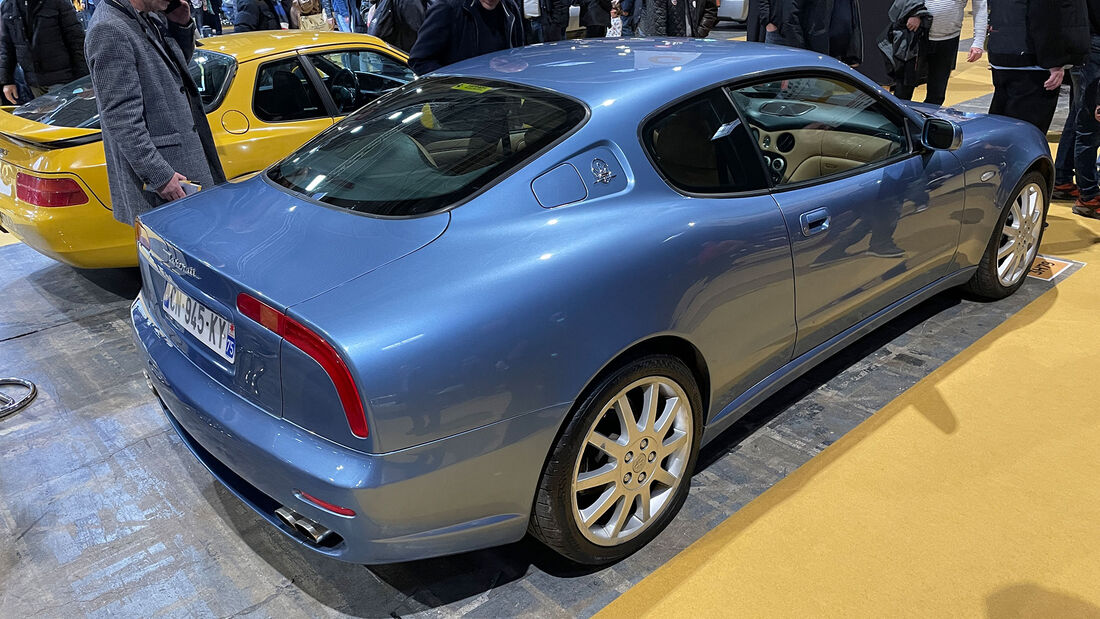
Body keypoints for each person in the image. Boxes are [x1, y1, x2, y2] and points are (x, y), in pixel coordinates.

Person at [85, 0, 225, 225]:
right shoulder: (109, 29)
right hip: (169, 179)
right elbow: (121, 118)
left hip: (183, 165)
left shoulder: (147, 16)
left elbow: (174, 72)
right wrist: (160, 176)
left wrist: (181, 25)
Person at [987, 0, 1088, 135]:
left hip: (1003, 51)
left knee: (1001, 130)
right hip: (1030, 59)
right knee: (1026, 135)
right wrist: (1054, 61)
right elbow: (1045, 16)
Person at [0, 0, 88, 104]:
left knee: (66, 116)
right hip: (34, 81)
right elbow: (6, 45)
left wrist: (84, 79)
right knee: (43, 119)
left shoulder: (56, 3)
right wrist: (7, 81)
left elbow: (76, 39)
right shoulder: (8, 6)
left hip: (62, 78)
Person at [408, 0, 524, 75]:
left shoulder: (510, 8)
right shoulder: (448, 8)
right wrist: (457, 85)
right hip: (460, 105)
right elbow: (419, 61)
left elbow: (518, 53)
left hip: (502, 100)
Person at [918, 0, 988, 105]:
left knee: (937, 94)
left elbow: (980, 7)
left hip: (948, 39)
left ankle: (928, 119)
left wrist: (978, 41)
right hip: (916, 36)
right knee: (904, 89)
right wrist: (913, 14)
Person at [758, 0, 863, 65]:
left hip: (823, 46)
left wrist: (852, 52)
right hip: (795, 41)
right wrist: (767, 20)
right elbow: (788, 17)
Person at [1070, 0, 1100, 218]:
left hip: (1085, 44)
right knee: (1089, 125)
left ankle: (1062, 178)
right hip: (1092, 47)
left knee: (1079, 118)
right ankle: (1088, 196)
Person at [639, 0, 716, 37]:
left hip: (694, 45)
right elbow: (657, 20)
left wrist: (700, 34)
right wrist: (663, 43)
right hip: (669, 48)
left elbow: (710, 10)